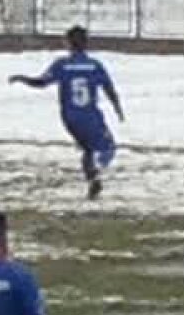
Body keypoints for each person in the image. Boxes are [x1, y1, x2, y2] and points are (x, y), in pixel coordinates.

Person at [8, 25, 124, 199]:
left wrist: (22, 78)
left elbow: (41, 82)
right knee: (108, 148)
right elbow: (108, 88)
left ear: (68, 43)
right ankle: (97, 173)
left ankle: (93, 181)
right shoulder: (94, 65)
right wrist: (117, 108)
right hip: (90, 115)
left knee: (88, 149)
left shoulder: (62, 65)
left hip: (70, 118)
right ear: (86, 44)